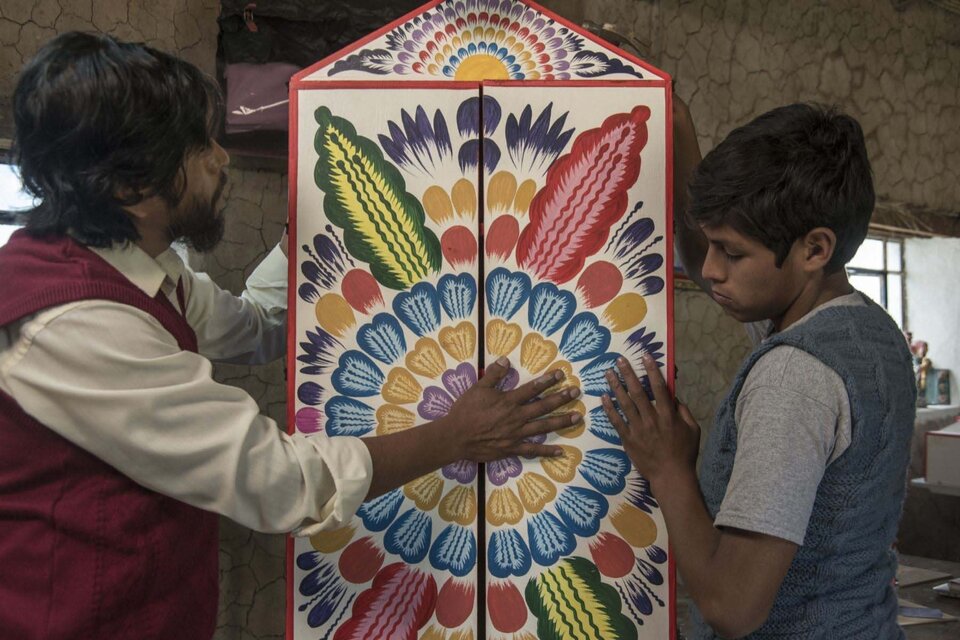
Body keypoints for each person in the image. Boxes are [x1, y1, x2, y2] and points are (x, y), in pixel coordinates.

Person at [0, 32, 582, 639]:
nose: (220, 159)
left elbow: (256, 328)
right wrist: (456, 435)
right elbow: (282, 482)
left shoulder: (141, 267)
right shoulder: (71, 324)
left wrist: (297, 239)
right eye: (198, 148)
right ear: (129, 189)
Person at [603, 97, 916, 639]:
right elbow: (714, 260)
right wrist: (678, 125)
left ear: (814, 248)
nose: (709, 269)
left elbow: (733, 605)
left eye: (732, 252)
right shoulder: (866, 332)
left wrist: (669, 468)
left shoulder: (793, 378)